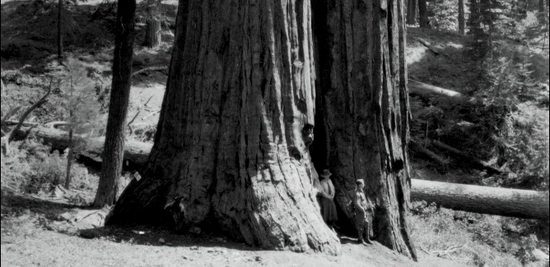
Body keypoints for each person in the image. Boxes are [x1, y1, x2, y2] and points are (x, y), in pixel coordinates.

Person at [353, 179, 374, 245]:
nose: (364, 184)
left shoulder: (361, 191)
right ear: (359, 185)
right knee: (360, 226)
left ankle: (367, 238)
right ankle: (360, 239)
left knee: (367, 223)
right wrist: (362, 209)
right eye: (363, 183)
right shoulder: (357, 193)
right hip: (360, 212)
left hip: (363, 210)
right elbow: (356, 203)